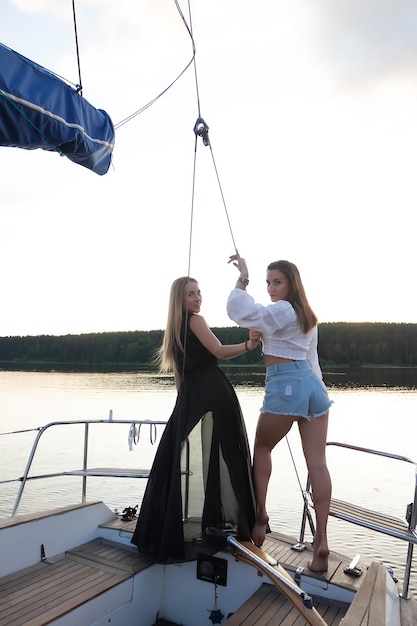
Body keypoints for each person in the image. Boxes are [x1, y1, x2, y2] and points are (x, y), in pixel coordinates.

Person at [131, 276, 259, 563]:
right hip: (213, 389)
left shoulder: (173, 329)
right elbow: (219, 352)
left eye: (199, 293)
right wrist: (249, 346)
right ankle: (243, 525)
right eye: (191, 294)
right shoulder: (194, 321)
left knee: (171, 455)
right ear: (180, 299)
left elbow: (178, 376)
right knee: (229, 452)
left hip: (190, 393)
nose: (198, 298)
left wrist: (183, 400)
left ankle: (160, 530)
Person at [227, 253, 332, 573]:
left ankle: (260, 517)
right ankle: (322, 543)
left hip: (286, 384)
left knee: (262, 448)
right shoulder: (305, 315)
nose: (271, 288)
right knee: (317, 463)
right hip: (313, 386)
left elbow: (239, 310)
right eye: (267, 282)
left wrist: (243, 277)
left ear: (291, 284)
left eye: (277, 282)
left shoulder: (283, 309)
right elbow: (309, 358)